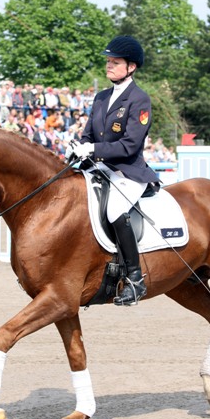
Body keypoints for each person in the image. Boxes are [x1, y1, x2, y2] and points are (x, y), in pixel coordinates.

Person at [66, 35, 158, 306]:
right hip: (99, 169)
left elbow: (130, 145)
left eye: (115, 62)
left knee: (115, 209)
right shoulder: (101, 97)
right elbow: (88, 134)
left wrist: (93, 149)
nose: (109, 66)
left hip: (128, 173)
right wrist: (80, 147)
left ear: (131, 67)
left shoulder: (139, 100)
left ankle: (134, 279)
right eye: (108, 61)